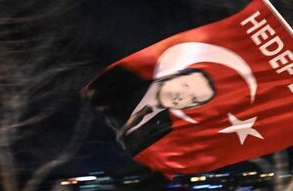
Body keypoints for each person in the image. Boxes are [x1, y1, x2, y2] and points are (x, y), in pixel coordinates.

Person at [86, 66, 216, 155]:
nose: (182, 96)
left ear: (192, 107)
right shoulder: (122, 79)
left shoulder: (164, 129)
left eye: (193, 98)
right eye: (185, 86)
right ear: (172, 76)